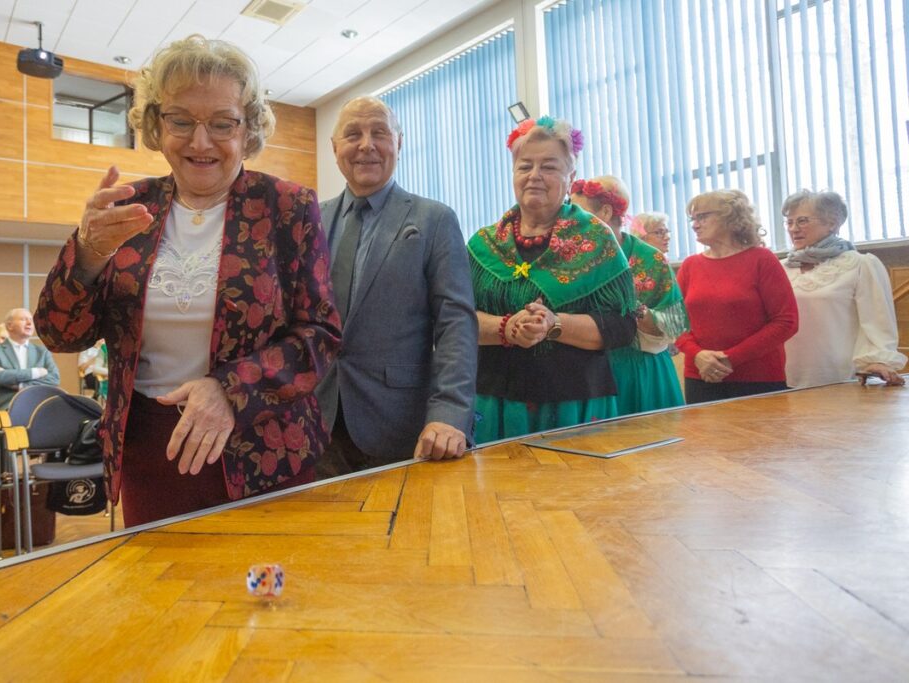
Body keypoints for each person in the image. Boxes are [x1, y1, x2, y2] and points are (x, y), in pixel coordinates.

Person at [35, 36, 340, 527]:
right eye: (180, 120)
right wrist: (88, 253)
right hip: (154, 452)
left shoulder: (287, 206)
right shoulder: (128, 207)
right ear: (156, 124)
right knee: (163, 594)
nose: (200, 142)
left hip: (267, 445)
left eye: (222, 123)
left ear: (249, 129)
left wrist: (228, 389)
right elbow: (59, 335)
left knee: (271, 594)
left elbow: (320, 336)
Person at [314, 96, 477, 476]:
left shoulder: (434, 219)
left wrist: (450, 413)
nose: (366, 144)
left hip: (402, 427)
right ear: (335, 148)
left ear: (399, 144)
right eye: (353, 134)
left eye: (380, 133)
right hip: (316, 428)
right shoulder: (311, 219)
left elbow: (456, 324)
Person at [468, 117, 636, 442]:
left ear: (570, 176)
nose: (534, 176)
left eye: (548, 166)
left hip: (576, 404)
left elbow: (622, 326)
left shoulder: (598, 240)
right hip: (494, 400)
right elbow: (455, 321)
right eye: (524, 166)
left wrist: (554, 325)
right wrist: (507, 328)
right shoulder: (481, 245)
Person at [570, 176, 686, 415]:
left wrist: (634, 308)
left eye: (577, 211)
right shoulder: (570, 257)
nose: (569, 219)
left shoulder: (648, 258)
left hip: (640, 370)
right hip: (588, 370)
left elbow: (674, 325)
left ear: (605, 211)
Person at [676, 190, 798, 403]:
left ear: (730, 218)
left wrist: (730, 359)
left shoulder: (762, 260)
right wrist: (697, 355)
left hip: (757, 379)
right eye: (693, 219)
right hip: (701, 375)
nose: (695, 225)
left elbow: (786, 321)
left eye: (702, 217)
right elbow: (676, 321)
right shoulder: (689, 266)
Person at [781, 190, 906, 388]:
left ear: (832, 223)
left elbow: (877, 320)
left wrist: (877, 360)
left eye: (803, 221)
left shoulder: (860, 264)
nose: (793, 229)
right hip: (782, 377)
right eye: (789, 222)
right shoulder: (779, 268)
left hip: (836, 376)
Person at [0, 308, 61, 410]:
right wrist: (35, 372)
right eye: (23, 319)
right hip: (6, 407)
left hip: (38, 406)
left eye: (31, 320)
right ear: (9, 326)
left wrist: (21, 385)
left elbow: (54, 379)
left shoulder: (42, 351)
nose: (29, 323)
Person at [78, 339, 109, 403]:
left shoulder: (103, 349)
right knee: (97, 379)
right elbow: (81, 368)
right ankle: (96, 396)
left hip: (104, 374)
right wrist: (94, 359)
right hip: (90, 374)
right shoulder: (85, 350)